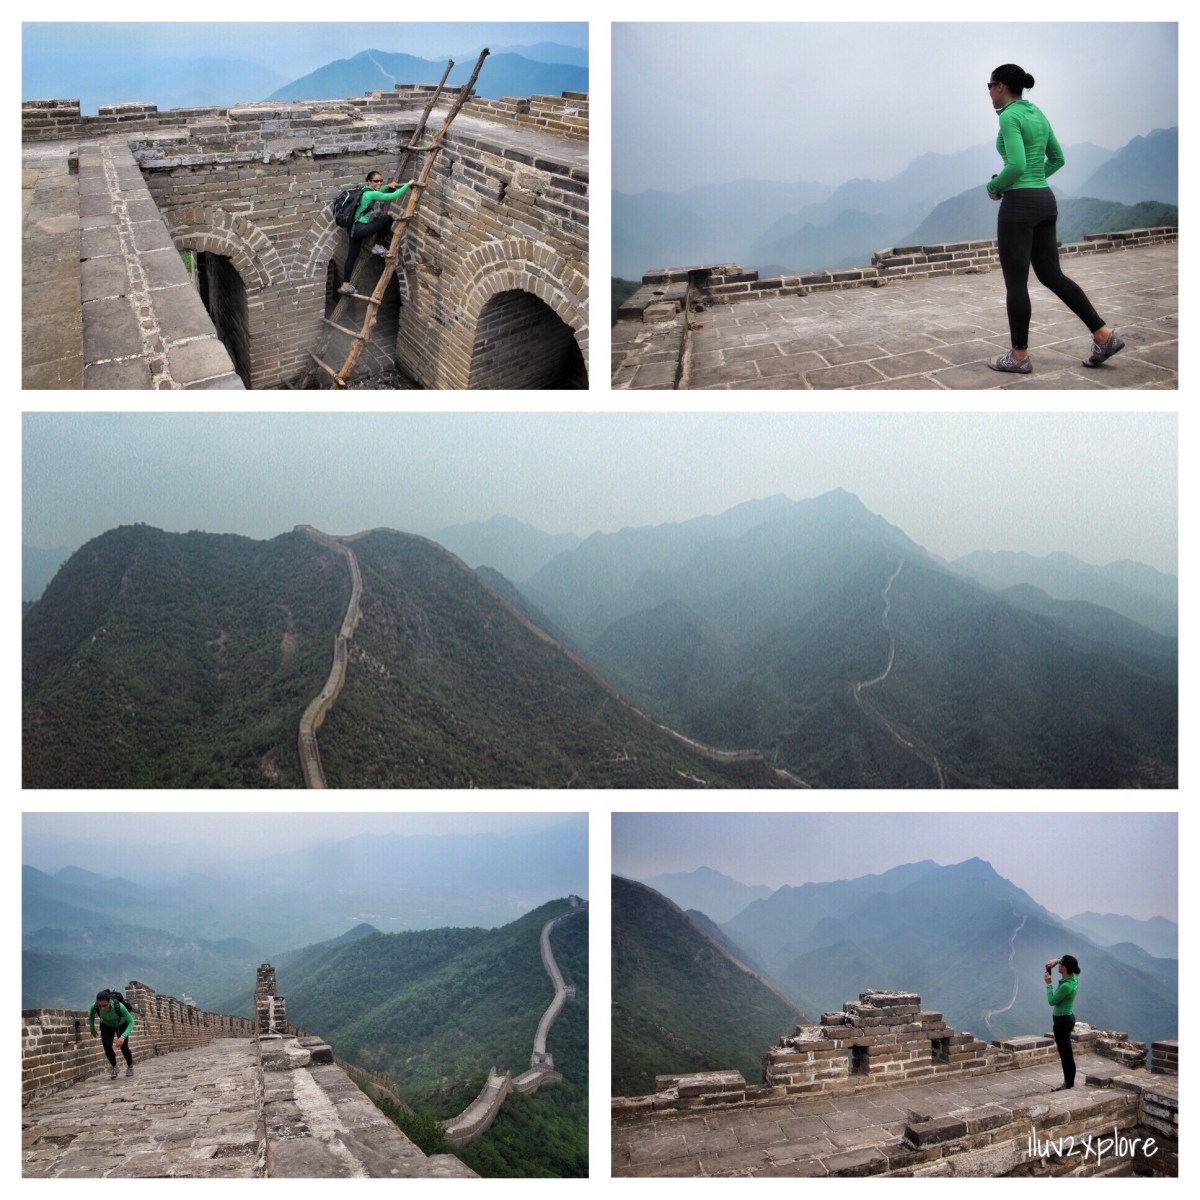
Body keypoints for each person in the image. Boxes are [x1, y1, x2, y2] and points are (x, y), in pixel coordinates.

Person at [984, 65, 1124, 374]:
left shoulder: (1009, 116)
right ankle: (1103, 336)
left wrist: (994, 187)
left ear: (1002, 86)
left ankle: (1018, 358)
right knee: (1052, 275)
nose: (989, 92)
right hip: (1045, 201)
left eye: (990, 85)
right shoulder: (1038, 114)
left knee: (1016, 283)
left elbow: (1017, 165)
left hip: (1019, 206)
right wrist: (1035, 178)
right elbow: (1057, 159)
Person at [338, 172, 413, 295]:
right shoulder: (372, 193)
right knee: (387, 219)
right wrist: (408, 184)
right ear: (369, 181)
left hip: (352, 228)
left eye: (380, 181)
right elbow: (395, 195)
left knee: (351, 257)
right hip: (360, 229)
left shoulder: (364, 190)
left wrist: (387, 186)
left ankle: (345, 286)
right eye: (376, 181)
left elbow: (379, 192)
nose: (379, 183)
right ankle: (377, 246)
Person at [1044, 955, 1080, 1091]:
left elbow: (1052, 1001)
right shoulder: (1074, 978)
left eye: (1060, 964)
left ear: (1064, 968)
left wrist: (1048, 984)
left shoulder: (1066, 986)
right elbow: (1069, 962)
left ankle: (1068, 1083)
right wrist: (1056, 960)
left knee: (1066, 1054)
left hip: (1062, 1022)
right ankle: (1069, 1081)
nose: (1058, 966)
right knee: (1067, 1052)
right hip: (1067, 1019)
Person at [89, 989, 136, 1079]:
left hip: (121, 1025)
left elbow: (131, 1021)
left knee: (124, 1048)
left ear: (109, 1001)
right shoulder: (94, 1007)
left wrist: (122, 1037)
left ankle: (130, 1066)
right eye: (100, 1006)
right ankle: (114, 1067)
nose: (102, 1008)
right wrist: (92, 1028)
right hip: (106, 1025)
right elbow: (91, 1016)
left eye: (104, 1005)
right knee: (107, 1047)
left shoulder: (119, 1007)